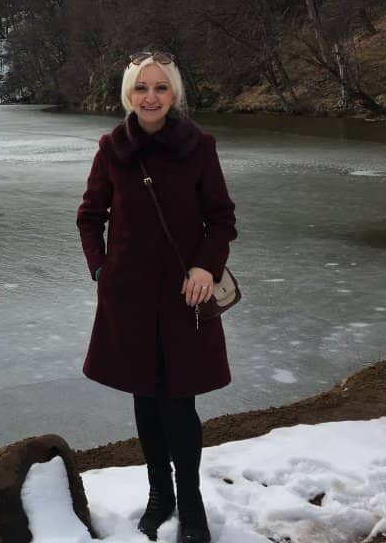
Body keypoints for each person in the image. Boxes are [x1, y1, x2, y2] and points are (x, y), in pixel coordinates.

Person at [76, 51, 237, 543]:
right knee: (146, 401)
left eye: (160, 88)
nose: (150, 97)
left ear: (174, 94)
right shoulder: (111, 149)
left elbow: (221, 217)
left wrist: (205, 265)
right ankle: (158, 494)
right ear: (129, 94)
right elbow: (89, 215)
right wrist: (102, 268)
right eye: (141, 88)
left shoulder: (199, 146)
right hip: (129, 297)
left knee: (179, 404)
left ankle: (191, 505)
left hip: (185, 297)